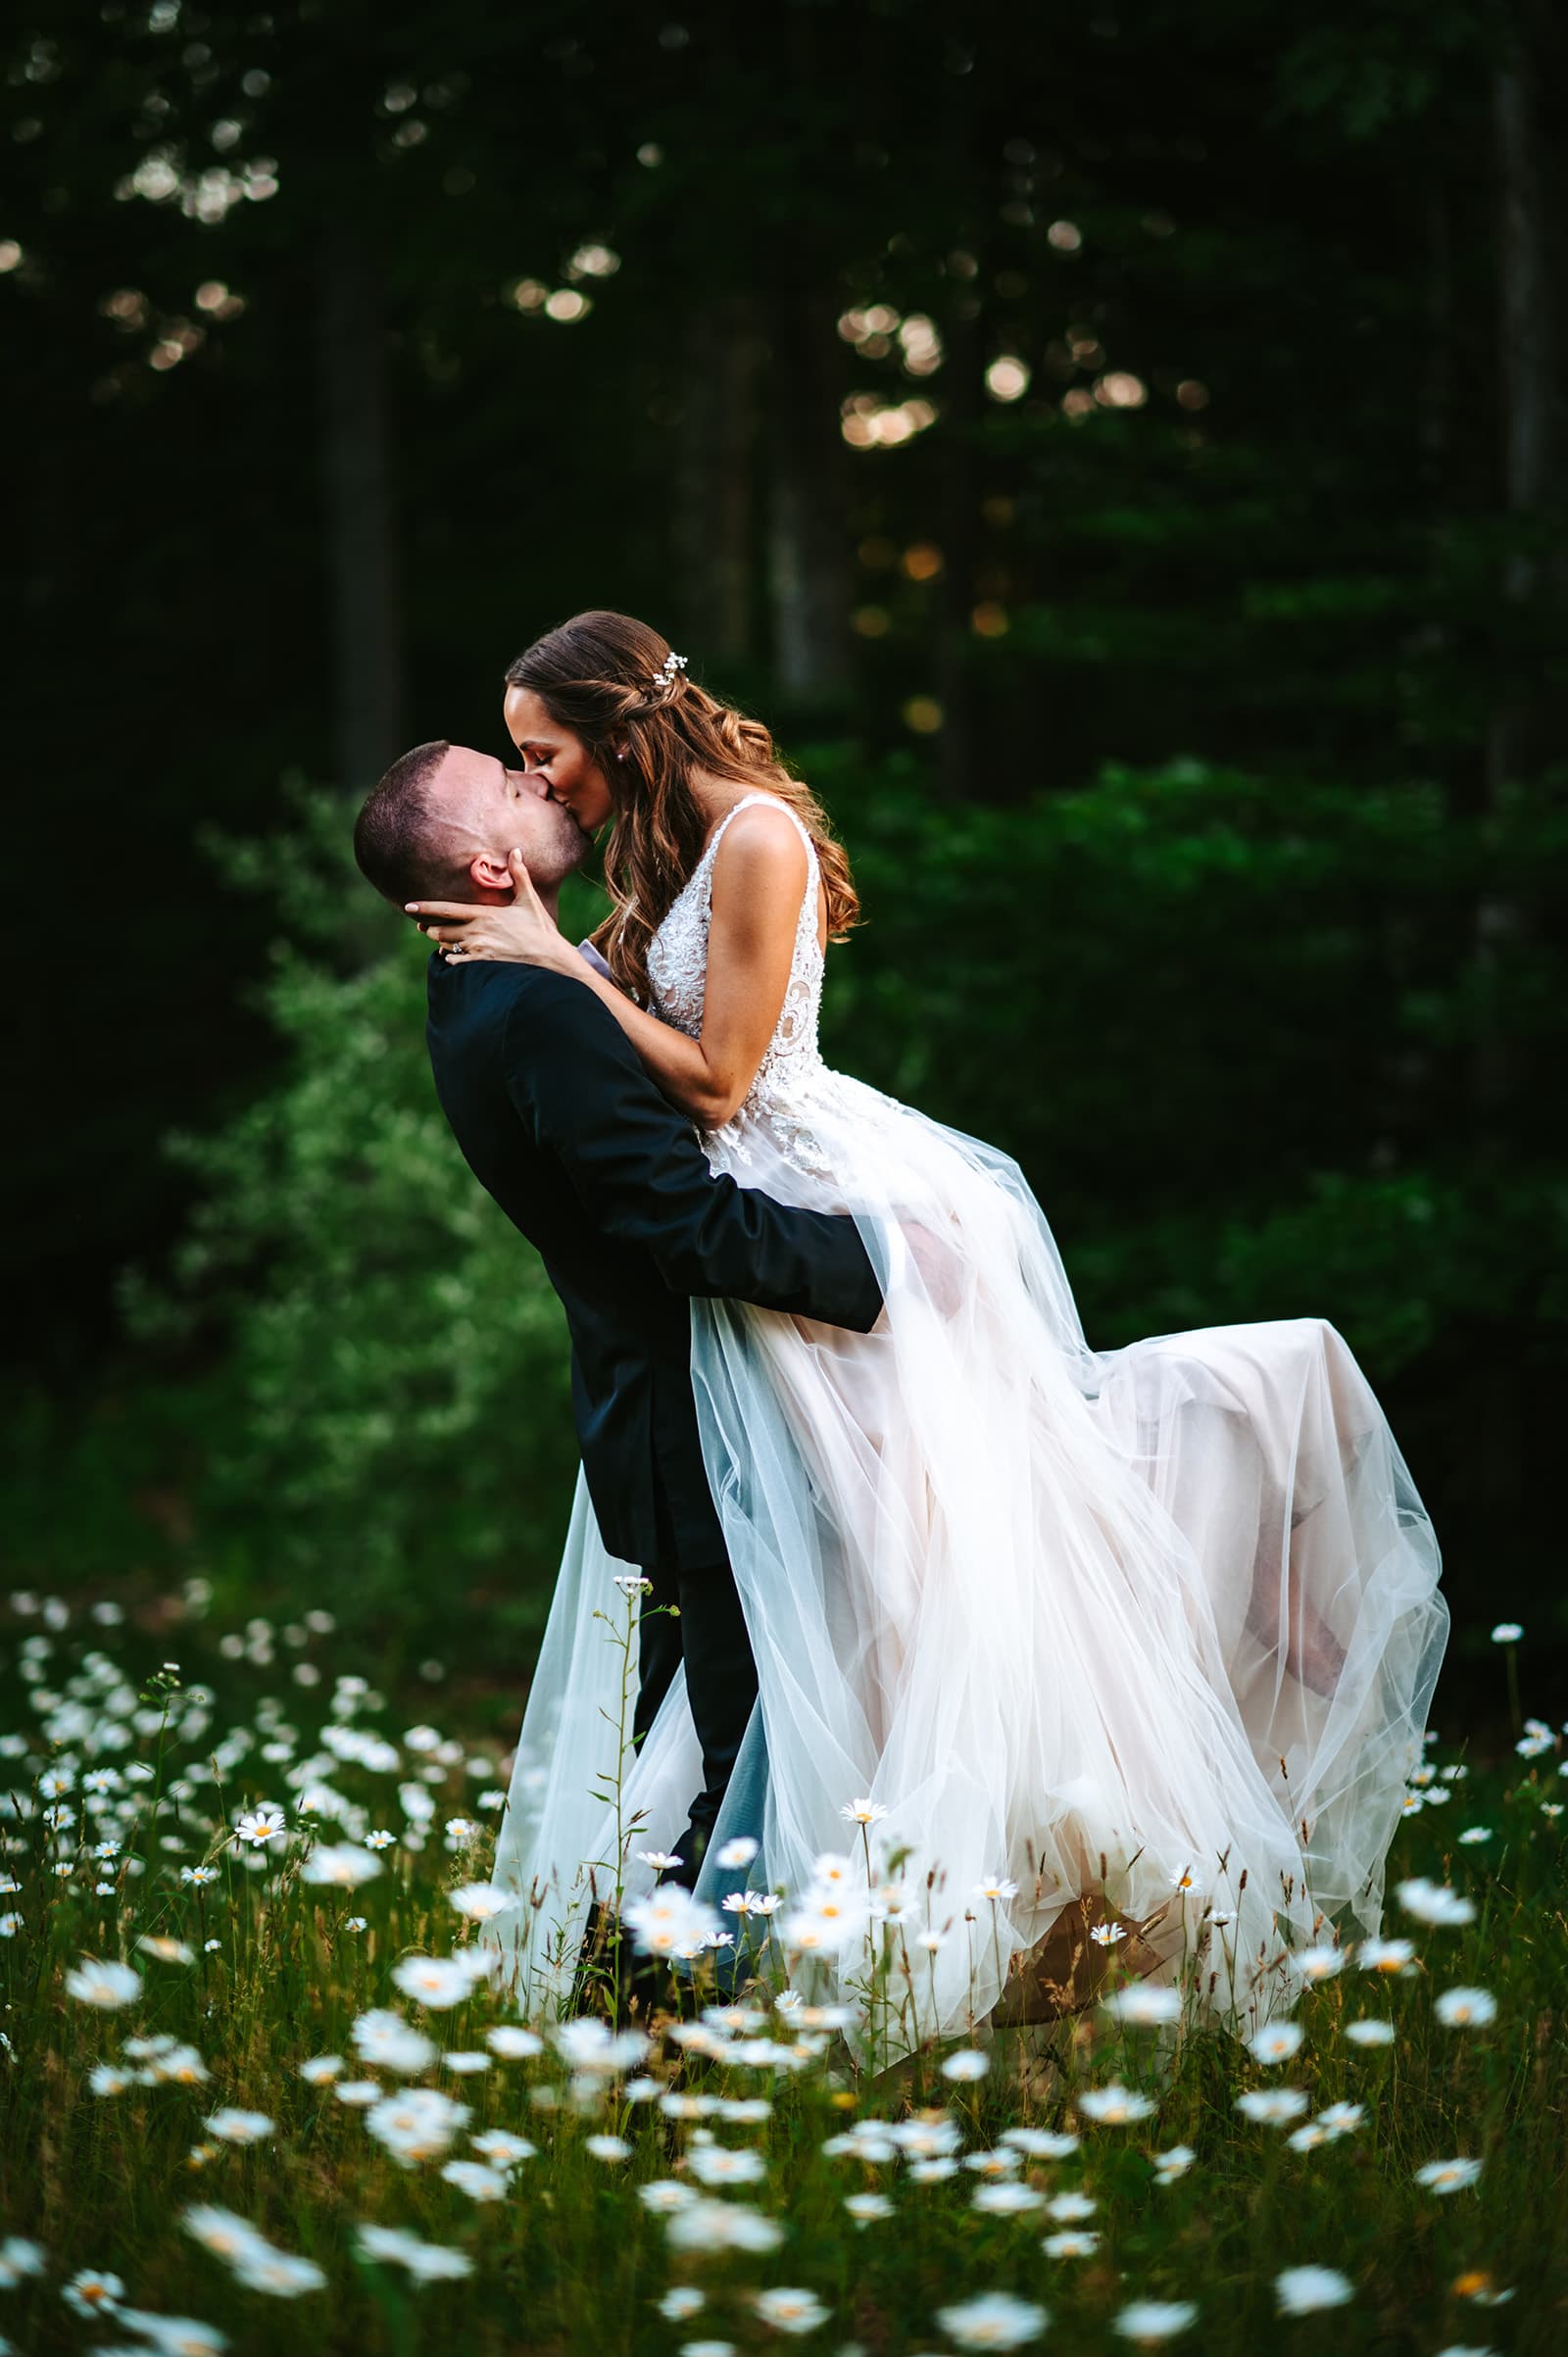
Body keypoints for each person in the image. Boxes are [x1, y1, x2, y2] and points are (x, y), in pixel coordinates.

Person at [406, 612, 1449, 2043]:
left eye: (547, 754)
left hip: (824, 1202)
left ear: (623, 727)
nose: (543, 785)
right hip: (747, 1255)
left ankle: (1000, 1898)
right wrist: (553, 949)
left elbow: (718, 1084)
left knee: (959, 1564)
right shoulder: (647, 848)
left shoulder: (754, 835)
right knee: (857, 1611)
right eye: (519, 769)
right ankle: (770, 1979)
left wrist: (550, 952)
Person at [352, 742, 891, 1977]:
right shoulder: (536, 1007)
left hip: (652, 1420)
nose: (543, 783)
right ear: (491, 862)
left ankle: (641, 2066)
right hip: (693, 1433)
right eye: (514, 780)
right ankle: (656, 2078)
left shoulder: (487, 985)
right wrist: (883, 1265)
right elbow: (676, 1227)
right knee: (724, 1776)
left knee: (691, 1761)